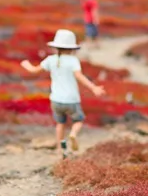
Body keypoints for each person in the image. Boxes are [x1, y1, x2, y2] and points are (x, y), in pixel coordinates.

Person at [20, 29, 104, 158]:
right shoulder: (73, 61)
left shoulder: (50, 60)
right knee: (78, 120)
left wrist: (26, 65)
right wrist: (93, 88)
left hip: (56, 100)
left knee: (60, 124)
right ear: (71, 48)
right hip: (71, 99)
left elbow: (34, 70)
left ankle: (60, 149)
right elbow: (80, 77)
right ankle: (73, 134)